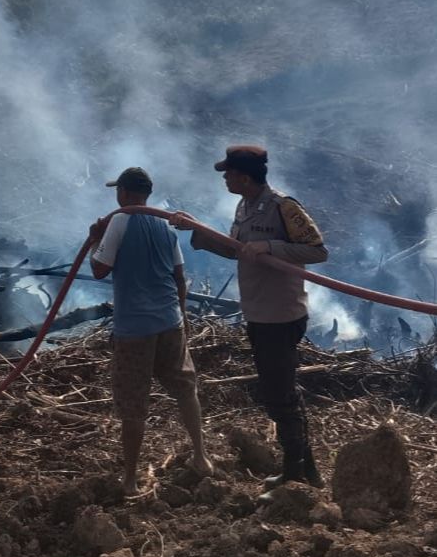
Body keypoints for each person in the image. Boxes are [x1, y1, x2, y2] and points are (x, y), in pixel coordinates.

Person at [169, 145, 328, 489]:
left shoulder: (284, 206)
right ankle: (305, 470)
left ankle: (295, 475)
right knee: (282, 392)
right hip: (259, 311)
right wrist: (196, 230)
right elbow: (235, 249)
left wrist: (270, 248)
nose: (225, 178)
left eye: (228, 173)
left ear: (244, 176)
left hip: (281, 314)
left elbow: (317, 250)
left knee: (278, 395)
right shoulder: (245, 207)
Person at [90, 166, 212, 495]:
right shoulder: (163, 223)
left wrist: (94, 240)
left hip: (135, 328)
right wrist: (182, 317)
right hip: (170, 322)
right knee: (186, 389)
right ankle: (201, 457)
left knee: (133, 404)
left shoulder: (119, 220)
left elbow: (100, 269)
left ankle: (129, 480)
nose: (117, 196)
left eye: (119, 191)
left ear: (125, 193)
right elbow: (179, 276)